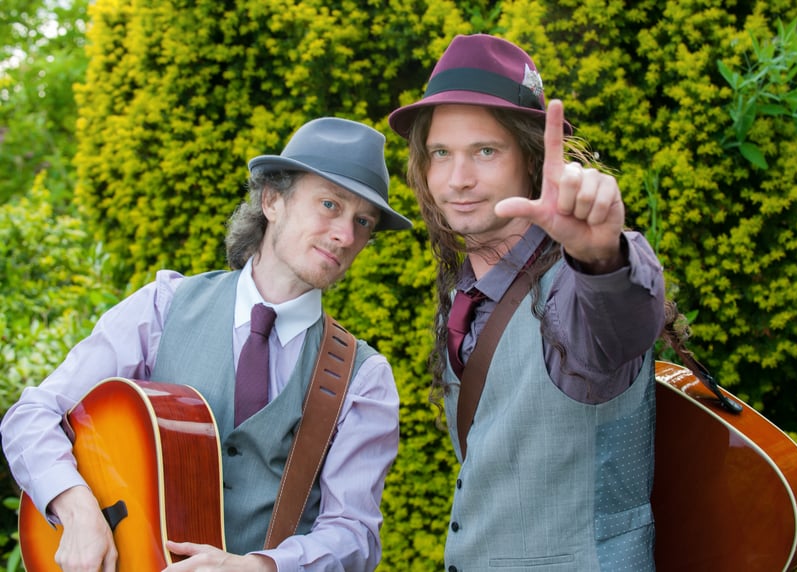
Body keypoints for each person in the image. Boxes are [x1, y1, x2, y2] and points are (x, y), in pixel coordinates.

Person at [1, 117, 412, 571]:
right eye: (329, 204)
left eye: (363, 221)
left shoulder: (362, 377)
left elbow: (354, 535)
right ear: (272, 200)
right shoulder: (163, 307)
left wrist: (259, 567)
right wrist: (77, 508)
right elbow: (33, 415)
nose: (346, 235)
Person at [388, 34, 665, 571]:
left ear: (531, 158)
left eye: (485, 151)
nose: (458, 179)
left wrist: (601, 255)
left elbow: (619, 320)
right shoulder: (464, 291)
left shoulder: (570, 287)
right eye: (441, 153)